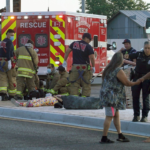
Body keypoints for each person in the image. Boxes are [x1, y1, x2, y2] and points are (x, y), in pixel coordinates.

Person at [99, 52, 141, 144]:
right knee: (109, 116)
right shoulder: (118, 70)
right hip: (112, 97)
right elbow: (127, 83)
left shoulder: (107, 69)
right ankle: (104, 137)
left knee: (116, 115)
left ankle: (120, 135)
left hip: (107, 96)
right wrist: (138, 82)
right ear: (120, 60)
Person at [62, 33, 95, 97]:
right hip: (85, 67)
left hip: (75, 67)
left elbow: (67, 51)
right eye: (89, 40)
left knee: (74, 83)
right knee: (86, 83)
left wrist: (64, 60)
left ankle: (74, 98)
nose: (89, 41)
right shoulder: (88, 46)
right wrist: (93, 67)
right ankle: (85, 99)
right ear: (85, 38)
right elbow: (92, 57)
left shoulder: (74, 43)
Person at [126, 41, 150, 122]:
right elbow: (128, 55)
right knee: (135, 97)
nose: (147, 50)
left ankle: (145, 116)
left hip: (146, 79)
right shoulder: (139, 54)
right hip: (136, 78)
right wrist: (125, 55)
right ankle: (136, 115)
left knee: (145, 98)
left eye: (149, 48)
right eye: (145, 48)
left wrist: (143, 79)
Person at [0, 29, 17, 100]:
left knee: (2, 78)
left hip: (1, 62)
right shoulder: (9, 42)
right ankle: (12, 95)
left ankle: (3, 94)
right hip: (8, 62)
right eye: (12, 35)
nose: (13, 37)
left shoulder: (2, 42)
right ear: (8, 34)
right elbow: (8, 52)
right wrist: (10, 62)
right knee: (12, 78)